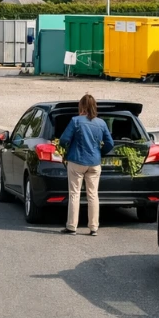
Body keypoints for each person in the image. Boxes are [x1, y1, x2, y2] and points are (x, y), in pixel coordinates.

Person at [57, 94, 115, 236]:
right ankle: (94, 227)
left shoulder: (75, 121)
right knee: (93, 195)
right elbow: (110, 144)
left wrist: (67, 148)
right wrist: (100, 152)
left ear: (81, 107)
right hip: (95, 162)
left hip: (76, 161)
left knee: (75, 194)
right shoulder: (101, 123)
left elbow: (63, 140)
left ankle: (72, 226)